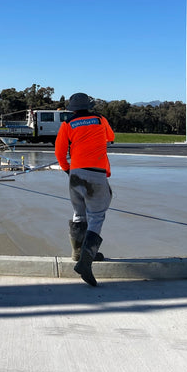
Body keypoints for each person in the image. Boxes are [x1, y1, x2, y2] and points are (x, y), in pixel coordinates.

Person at [55, 92, 115, 287]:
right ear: (89, 105)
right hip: (95, 173)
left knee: (79, 213)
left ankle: (78, 253)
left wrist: (67, 169)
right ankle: (85, 263)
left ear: (72, 108)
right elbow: (110, 137)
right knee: (97, 216)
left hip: (75, 174)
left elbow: (59, 151)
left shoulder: (67, 124)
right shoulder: (99, 119)